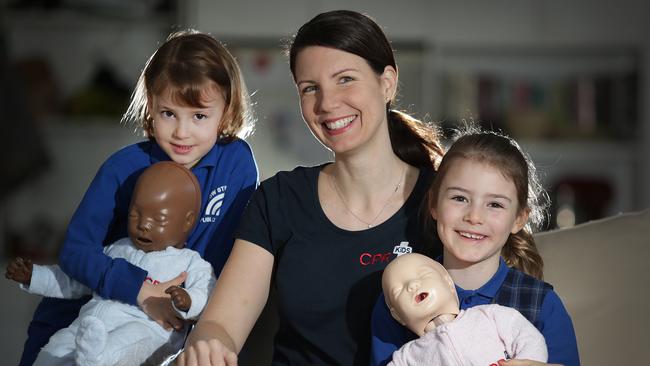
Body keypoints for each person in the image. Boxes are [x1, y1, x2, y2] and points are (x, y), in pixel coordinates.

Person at [177, 9, 444, 366]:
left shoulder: (443, 202)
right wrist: (207, 343)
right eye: (310, 88)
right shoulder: (279, 200)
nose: (327, 103)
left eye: (345, 79)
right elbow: (221, 324)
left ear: (387, 83)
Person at [17, 29, 259, 366]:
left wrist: (193, 308)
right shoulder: (123, 168)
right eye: (168, 113)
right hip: (78, 322)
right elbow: (75, 251)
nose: (181, 132)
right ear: (150, 106)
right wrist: (143, 292)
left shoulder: (237, 164)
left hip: (160, 331)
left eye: (199, 116)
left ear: (226, 111)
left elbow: (228, 257)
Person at [370, 131, 580, 366]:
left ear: (519, 219)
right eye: (460, 198)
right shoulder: (401, 297)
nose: (474, 216)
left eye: (495, 204)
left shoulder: (543, 305)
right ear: (434, 204)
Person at [6, 161, 216, 365]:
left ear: (187, 221)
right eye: (135, 215)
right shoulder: (117, 249)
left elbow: (206, 294)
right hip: (90, 325)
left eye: (158, 219)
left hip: (147, 329)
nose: (144, 225)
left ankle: (96, 360)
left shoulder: (190, 262)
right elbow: (75, 282)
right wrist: (34, 276)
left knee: (128, 340)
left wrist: (187, 301)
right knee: (56, 347)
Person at [382, 253, 547, 365]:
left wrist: (527, 361)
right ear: (398, 316)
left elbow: (528, 337)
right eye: (398, 291)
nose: (412, 285)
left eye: (423, 275)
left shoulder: (488, 316)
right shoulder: (406, 358)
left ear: (448, 282)